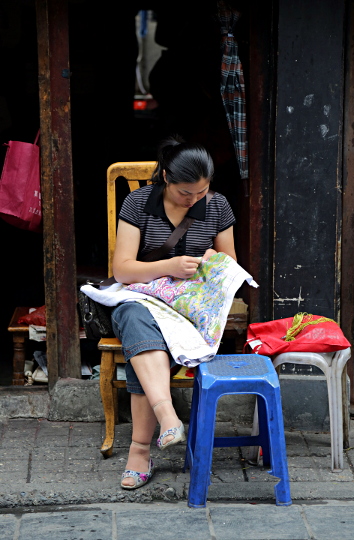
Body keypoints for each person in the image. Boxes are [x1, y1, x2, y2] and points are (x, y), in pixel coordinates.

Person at [111, 134, 237, 489]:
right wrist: (169, 266)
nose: (195, 199)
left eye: (201, 191)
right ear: (166, 177)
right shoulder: (137, 203)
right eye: (186, 193)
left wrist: (213, 260)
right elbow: (122, 269)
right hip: (143, 297)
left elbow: (230, 265)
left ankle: (140, 450)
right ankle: (166, 416)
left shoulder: (218, 206)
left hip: (191, 307)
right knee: (136, 319)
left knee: (142, 341)